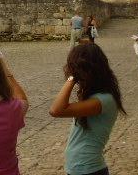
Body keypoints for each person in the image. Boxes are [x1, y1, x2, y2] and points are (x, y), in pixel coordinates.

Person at [49, 43, 126, 175]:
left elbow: (56, 110)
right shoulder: (97, 96)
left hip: (88, 169)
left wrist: (72, 78)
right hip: (82, 168)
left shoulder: (103, 100)